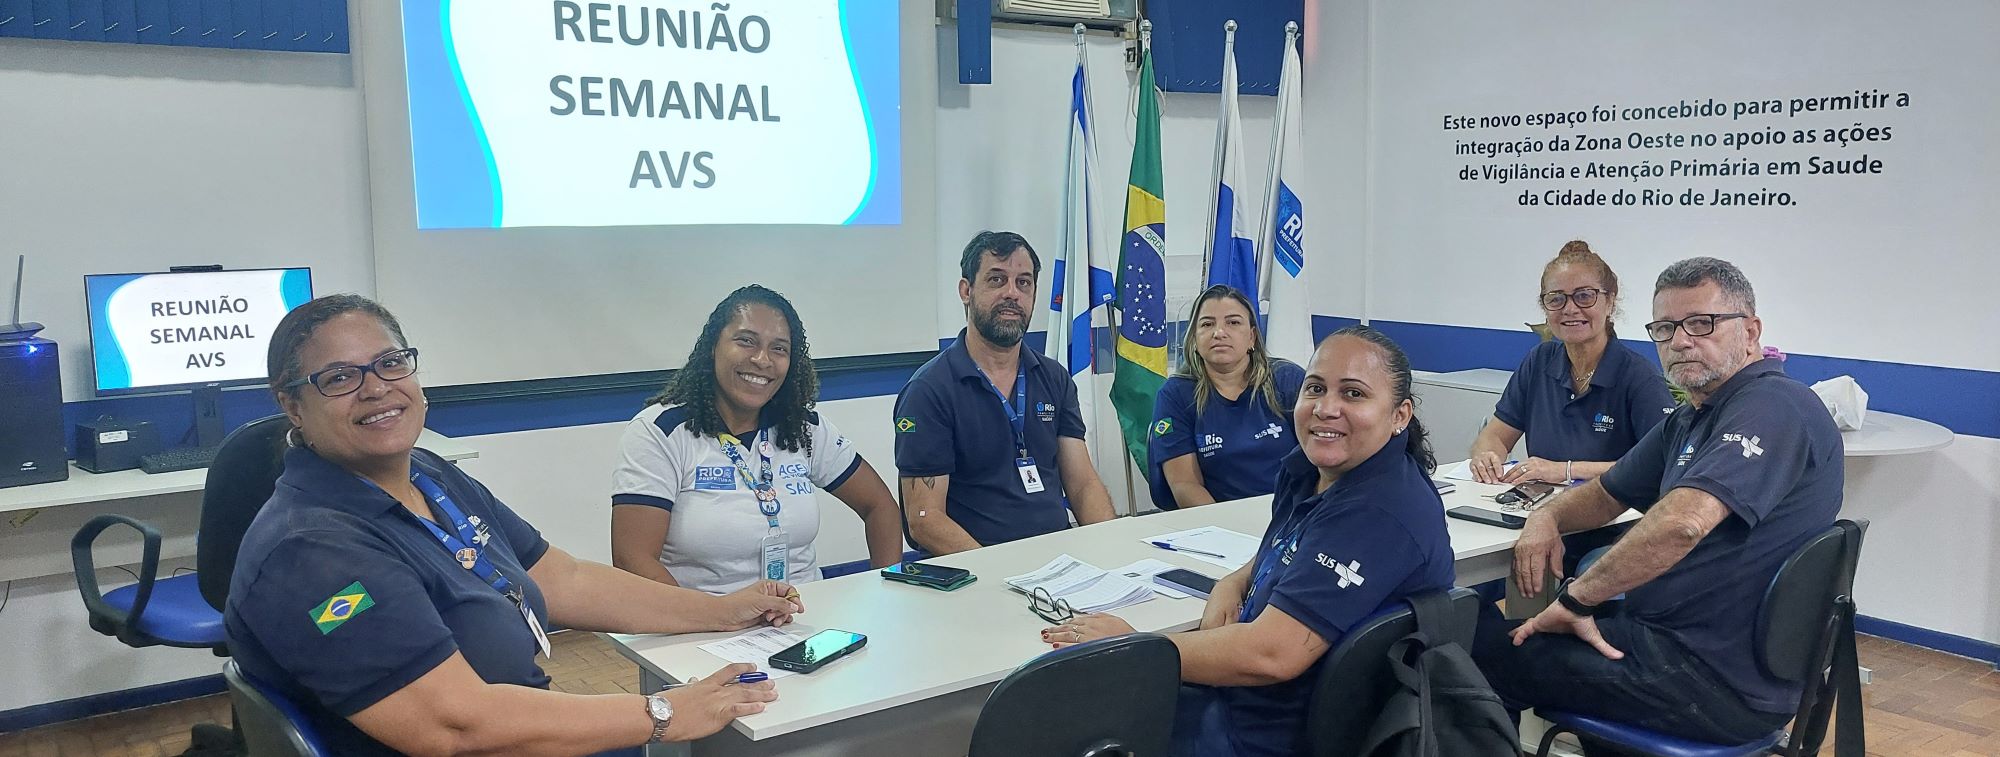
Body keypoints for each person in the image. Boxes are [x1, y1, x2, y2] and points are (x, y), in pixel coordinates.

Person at [225, 295, 806, 757]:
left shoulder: (427, 474)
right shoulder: (312, 554)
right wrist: (663, 713)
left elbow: (564, 580)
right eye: (339, 378)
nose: (377, 387)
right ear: (292, 405)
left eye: (390, 362)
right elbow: (453, 726)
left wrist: (721, 610)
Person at [1472, 258, 1843, 750]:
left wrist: (1576, 599)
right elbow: (1607, 494)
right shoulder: (1693, 417)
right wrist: (1547, 515)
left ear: (1751, 331)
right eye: (1665, 328)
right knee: (1513, 640)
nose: (1681, 340)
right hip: (1682, 650)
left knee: (1481, 655)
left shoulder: (1775, 404)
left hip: (1710, 679)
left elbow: (1683, 523)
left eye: (1702, 324)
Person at [1043, 326, 1456, 757]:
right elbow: (1292, 547)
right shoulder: (1314, 472)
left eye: (1353, 394)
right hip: (1251, 704)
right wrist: (1236, 581)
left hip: (1267, 734)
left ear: (1399, 416)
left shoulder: (1379, 511)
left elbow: (1272, 654)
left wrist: (1135, 649)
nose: (1326, 408)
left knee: (1071, 722)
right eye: (1315, 388)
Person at [610, 285, 904, 593]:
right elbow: (634, 561)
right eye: (746, 341)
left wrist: (885, 591)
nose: (762, 360)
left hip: (805, 617)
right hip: (700, 626)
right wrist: (719, 616)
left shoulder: (803, 428)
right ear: (713, 347)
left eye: (779, 348)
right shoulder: (660, 432)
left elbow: (880, 506)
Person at [893, 230, 1117, 553]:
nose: (1012, 293)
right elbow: (924, 519)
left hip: (1059, 563)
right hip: (975, 576)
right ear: (966, 291)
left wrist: (1113, 550)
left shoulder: (1054, 378)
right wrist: (1000, 572)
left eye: (1023, 283)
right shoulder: (929, 391)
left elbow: (1083, 486)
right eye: (997, 280)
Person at [1470, 240, 1676, 486]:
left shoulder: (1640, 377)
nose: (1570, 309)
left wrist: (1566, 470)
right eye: (1556, 299)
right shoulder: (1539, 361)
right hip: (1538, 507)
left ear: (1610, 301)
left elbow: (1660, 462)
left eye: (1584, 296)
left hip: (1614, 517)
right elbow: (1495, 436)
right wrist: (1486, 457)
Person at [1147, 285, 1305, 510]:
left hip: (1293, 514)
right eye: (1207, 324)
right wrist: (1224, 530)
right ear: (1194, 338)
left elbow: (1322, 462)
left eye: (1233, 322)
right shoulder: (1176, 394)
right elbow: (1185, 485)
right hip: (1219, 520)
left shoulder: (1288, 379)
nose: (1219, 332)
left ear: (1251, 337)